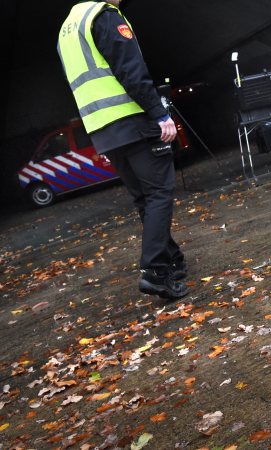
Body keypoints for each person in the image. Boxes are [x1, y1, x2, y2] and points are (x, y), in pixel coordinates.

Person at [58, 0, 188, 300]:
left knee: (144, 198)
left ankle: (172, 262)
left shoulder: (68, 27)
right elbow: (130, 70)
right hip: (131, 120)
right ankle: (155, 269)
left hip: (103, 130)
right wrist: (159, 113)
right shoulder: (103, 15)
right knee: (159, 193)